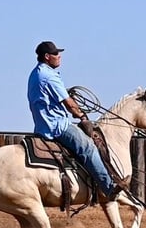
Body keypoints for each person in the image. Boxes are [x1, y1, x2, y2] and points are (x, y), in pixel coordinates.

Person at [27, 40, 125, 200]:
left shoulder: (36, 73)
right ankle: (109, 188)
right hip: (57, 126)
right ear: (47, 57)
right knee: (88, 148)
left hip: (42, 125)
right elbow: (69, 104)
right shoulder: (49, 76)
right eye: (56, 54)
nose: (59, 56)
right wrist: (83, 117)